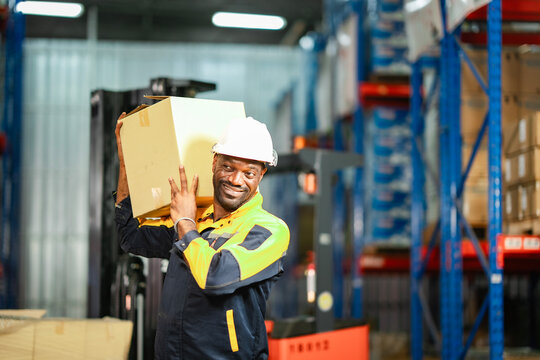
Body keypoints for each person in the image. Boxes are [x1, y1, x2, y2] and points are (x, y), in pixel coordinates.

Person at [113, 114, 290, 359]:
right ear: (214, 162)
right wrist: (126, 164)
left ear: (261, 175)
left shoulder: (268, 229)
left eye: (249, 173)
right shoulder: (198, 220)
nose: (236, 180)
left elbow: (214, 276)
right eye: (228, 167)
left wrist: (185, 222)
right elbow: (130, 235)